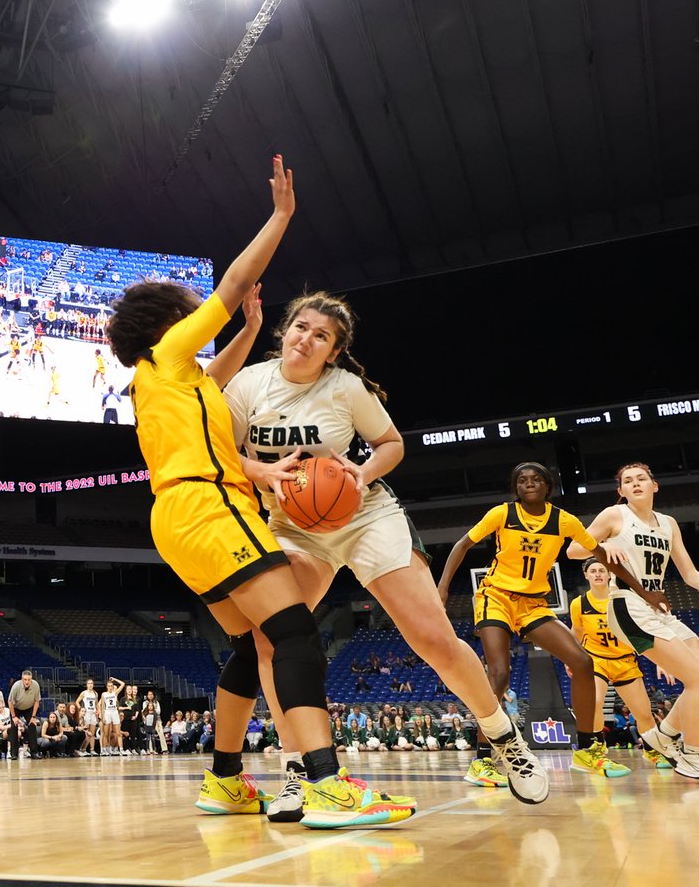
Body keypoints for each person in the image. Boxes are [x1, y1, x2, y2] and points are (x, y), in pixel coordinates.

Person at [105, 155, 412, 829]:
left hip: (176, 522)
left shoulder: (164, 382)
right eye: (189, 314)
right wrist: (280, 216)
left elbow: (217, 373)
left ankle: (224, 779)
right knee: (296, 632)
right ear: (167, 323)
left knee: (252, 645)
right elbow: (236, 280)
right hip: (211, 509)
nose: (199, 317)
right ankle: (326, 785)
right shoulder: (167, 354)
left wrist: (248, 331)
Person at [220, 290, 547, 818]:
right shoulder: (248, 384)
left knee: (431, 636)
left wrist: (362, 472)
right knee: (271, 639)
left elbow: (391, 444)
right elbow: (220, 452)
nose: (306, 339)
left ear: (333, 351)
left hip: (365, 514)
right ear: (285, 330)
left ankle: (503, 737)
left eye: (321, 336)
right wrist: (260, 471)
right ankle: (299, 769)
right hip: (293, 526)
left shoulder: (345, 388)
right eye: (301, 327)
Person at [438, 462, 655, 786]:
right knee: (499, 674)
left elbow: (600, 555)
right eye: (522, 480)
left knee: (582, 661)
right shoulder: (502, 514)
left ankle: (586, 750)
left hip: (533, 604)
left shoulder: (564, 521)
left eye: (536, 479)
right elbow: (462, 545)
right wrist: (442, 588)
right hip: (496, 596)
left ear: (547, 486)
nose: (529, 483)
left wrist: (644, 591)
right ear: (516, 487)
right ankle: (482, 761)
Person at [565, 462, 699, 783]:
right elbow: (573, 550)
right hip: (627, 605)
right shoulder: (614, 515)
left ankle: (662, 735)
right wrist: (602, 546)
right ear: (621, 491)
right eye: (628, 481)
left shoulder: (668, 524)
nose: (635, 483)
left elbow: (688, 573)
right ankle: (693, 756)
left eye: (641, 478)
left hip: (658, 608)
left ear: (655, 486)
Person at [569, 558, 671, 768]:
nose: (598, 574)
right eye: (593, 571)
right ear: (586, 575)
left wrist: (662, 659)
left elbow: (649, 628)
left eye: (602, 570)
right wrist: (571, 657)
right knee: (594, 702)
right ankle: (596, 748)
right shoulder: (579, 604)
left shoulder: (624, 599)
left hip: (625, 661)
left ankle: (652, 751)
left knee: (643, 713)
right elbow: (577, 632)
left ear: (609, 575)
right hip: (596, 659)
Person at [7, 670, 42, 759]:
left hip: (29, 708)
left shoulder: (36, 685)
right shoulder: (16, 686)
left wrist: (33, 717)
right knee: (14, 728)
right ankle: (14, 754)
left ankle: (34, 753)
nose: (27, 682)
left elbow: (37, 702)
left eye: (29, 680)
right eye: (25, 679)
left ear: (31, 679)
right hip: (16, 708)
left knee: (32, 726)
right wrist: (14, 716)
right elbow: (10, 701)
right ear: (22, 679)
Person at [98, 676, 125, 756]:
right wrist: (103, 717)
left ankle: (121, 749)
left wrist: (114, 679)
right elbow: (102, 706)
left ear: (113, 687)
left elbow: (123, 684)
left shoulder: (115, 693)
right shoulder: (104, 694)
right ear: (107, 686)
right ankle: (105, 749)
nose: (110, 687)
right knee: (106, 733)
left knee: (118, 733)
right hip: (107, 713)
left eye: (111, 686)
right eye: (109, 686)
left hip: (115, 713)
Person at [75, 678, 100, 755]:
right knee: (86, 733)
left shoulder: (95, 693)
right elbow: (77, 702)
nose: (90, 685)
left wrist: (98, 711)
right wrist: (81, 709)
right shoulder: (84, 693)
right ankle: (83, 749)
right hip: (86, 713)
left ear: (93, 685)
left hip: (93, 714)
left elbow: (96, 704)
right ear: (86, 685)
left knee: (92, 733)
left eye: (91, 683)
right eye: (89, 683)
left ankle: (92, 749)